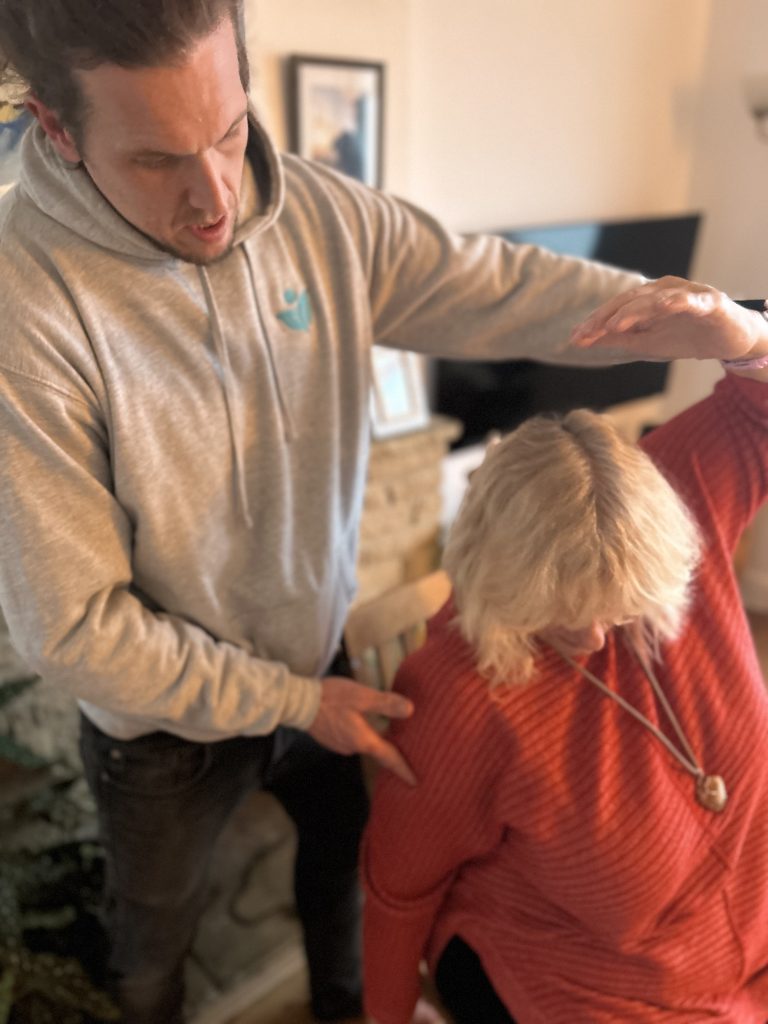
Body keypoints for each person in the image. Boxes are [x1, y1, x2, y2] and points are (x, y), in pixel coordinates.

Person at [0, 1, 716, 1022]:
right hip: (157, 730)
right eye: (158, 159)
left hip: (318, 653)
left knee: (341, 881)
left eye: (230, 130)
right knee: (152, 944)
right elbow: (71, 628)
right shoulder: (25, 309)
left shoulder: (319, 217)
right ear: (57, 132)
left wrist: (701, 323)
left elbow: (497, 282)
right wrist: (292, 704)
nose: (215, 197)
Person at [362, 278, 768, 1023]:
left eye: (621, 608)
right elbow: (398, 887)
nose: (594, 639)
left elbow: (758, 402)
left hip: (743, 936)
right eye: (561, 615)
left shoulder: (671, 499)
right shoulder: (462, 694)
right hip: (584, 975)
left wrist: (746, 336)